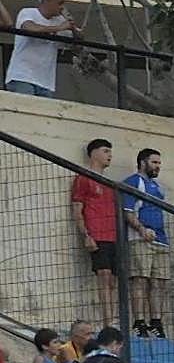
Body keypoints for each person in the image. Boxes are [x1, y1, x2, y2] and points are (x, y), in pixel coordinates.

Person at [70, 138, 118, 328]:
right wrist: (86, 235)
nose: (109, 155)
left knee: (112, 280)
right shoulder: (83, 178)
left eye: (110, 151)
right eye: (105, 151)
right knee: (104, 275)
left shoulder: (111, 183)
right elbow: (77, 209)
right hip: (97, 234)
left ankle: (112, 320)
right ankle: (108, 323)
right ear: (94, 153)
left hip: (113, 236)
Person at [123, 148, 169, 338]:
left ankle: (156, 322)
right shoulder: (134, 181)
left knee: (159, 282)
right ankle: (139, 322)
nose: (158, 166)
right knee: (140, 279)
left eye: (159, 163)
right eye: (154, 162)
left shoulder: (158, 187)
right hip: (140, 238)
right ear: (143, 162)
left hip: (161, 239)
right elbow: (128, 211)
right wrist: (142, 229)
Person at [5, 0, 77, 97]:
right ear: (48, 0)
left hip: (46, 82)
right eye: (60, 3)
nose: (62, 7)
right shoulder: (28, 13)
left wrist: (72, 27)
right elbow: (30, 28)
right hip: (22, 76)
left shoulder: (60, 20)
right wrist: (59, 28)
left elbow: (77, 39)